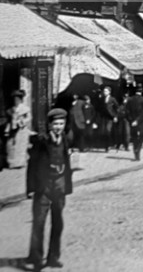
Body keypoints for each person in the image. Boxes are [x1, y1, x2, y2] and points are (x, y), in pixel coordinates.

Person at [26, 108, 73, 272]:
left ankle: (53, 257)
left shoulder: (65, 140)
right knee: (39, 223)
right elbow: (32, 165)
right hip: (43, 186)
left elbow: (67, 163)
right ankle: (36, 258)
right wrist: (31, 188)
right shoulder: (41, 141)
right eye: (55, 124)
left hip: (59, 186)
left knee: (58, 223)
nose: (58, 127)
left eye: (61, 124)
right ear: (49, 124)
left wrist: (67, 185)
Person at [6, 90, 31, 169]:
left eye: (17, 99)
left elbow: (29, 117)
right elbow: (9, 119)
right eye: (14, 99)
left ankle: (20, 163)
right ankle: (13, 163)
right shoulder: (11, 109)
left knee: (21, 145)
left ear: (21, 99)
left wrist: (22, 121)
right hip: (12, 129)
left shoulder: (25, 108)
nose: (16, 101)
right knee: (12, 145)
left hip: (21, 129)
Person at [125, 86, 143, 161]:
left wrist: (131, 120)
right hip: (141, 122)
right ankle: (138, 149)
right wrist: (137, 121)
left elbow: (127, 111)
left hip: (132, 122)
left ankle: (135, 150)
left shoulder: (130, 100)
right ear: (141, 91)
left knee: (134, 136)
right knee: (142, 136)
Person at [97, 87, 119, 152]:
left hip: (110, 117)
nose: (104, 92)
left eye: (106, 91)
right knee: (104, 131)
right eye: (104, 91)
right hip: (104, 117)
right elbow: (100, 107)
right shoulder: (102, 99)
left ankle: (109, 145)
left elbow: (117, 107)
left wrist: (115, 116)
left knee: (108, 130)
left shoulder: (112, 99)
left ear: (109, 92)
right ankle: (106, 146)